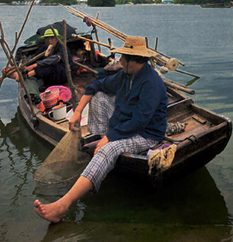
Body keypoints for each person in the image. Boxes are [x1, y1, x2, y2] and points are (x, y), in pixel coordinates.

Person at [33, 36, 167, 223]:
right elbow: (96, 85)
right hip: (124, 124)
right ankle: (105, 148)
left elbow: (140, 121)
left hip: (146, 133)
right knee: (99, 97)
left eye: (122, 57)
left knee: (107, 149)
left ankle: (62, 205)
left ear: (131, 60)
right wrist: (78, 111)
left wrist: (109, 139)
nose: (119, 60)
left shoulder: (151, 83)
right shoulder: (126, 75)